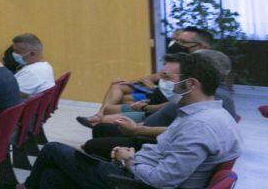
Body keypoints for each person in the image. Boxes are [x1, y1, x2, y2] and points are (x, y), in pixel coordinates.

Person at [3, 51, 242, 189]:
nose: (167, 84)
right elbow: (164, 153)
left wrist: (130, 161)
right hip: (142, 178)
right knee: (53, 175)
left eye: (173, 80)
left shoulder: (200, 126)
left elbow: (162, 180)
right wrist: (133, 156)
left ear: (191, 84)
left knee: (53, 150)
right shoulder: (208, 114)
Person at [81, 49, 238, 158]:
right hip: (150, 135)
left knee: (90, 146)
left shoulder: (206, 96)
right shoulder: (202, 92)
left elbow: (180, 134)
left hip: (154, 144)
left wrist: (138, 130)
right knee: (102, 129)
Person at [77, 27, 214, 126]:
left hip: (156, 103)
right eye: (176, 41)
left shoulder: (200, 69)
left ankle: (102, 122)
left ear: (202, 46)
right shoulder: (181, 60)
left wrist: (145, 106)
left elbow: (175, 102)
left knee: (112, 111)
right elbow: (161, 76)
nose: (177, 45)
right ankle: (99, 118)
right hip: (155, 97)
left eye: (182, 42)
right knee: (118, 87)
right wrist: (133, 82)